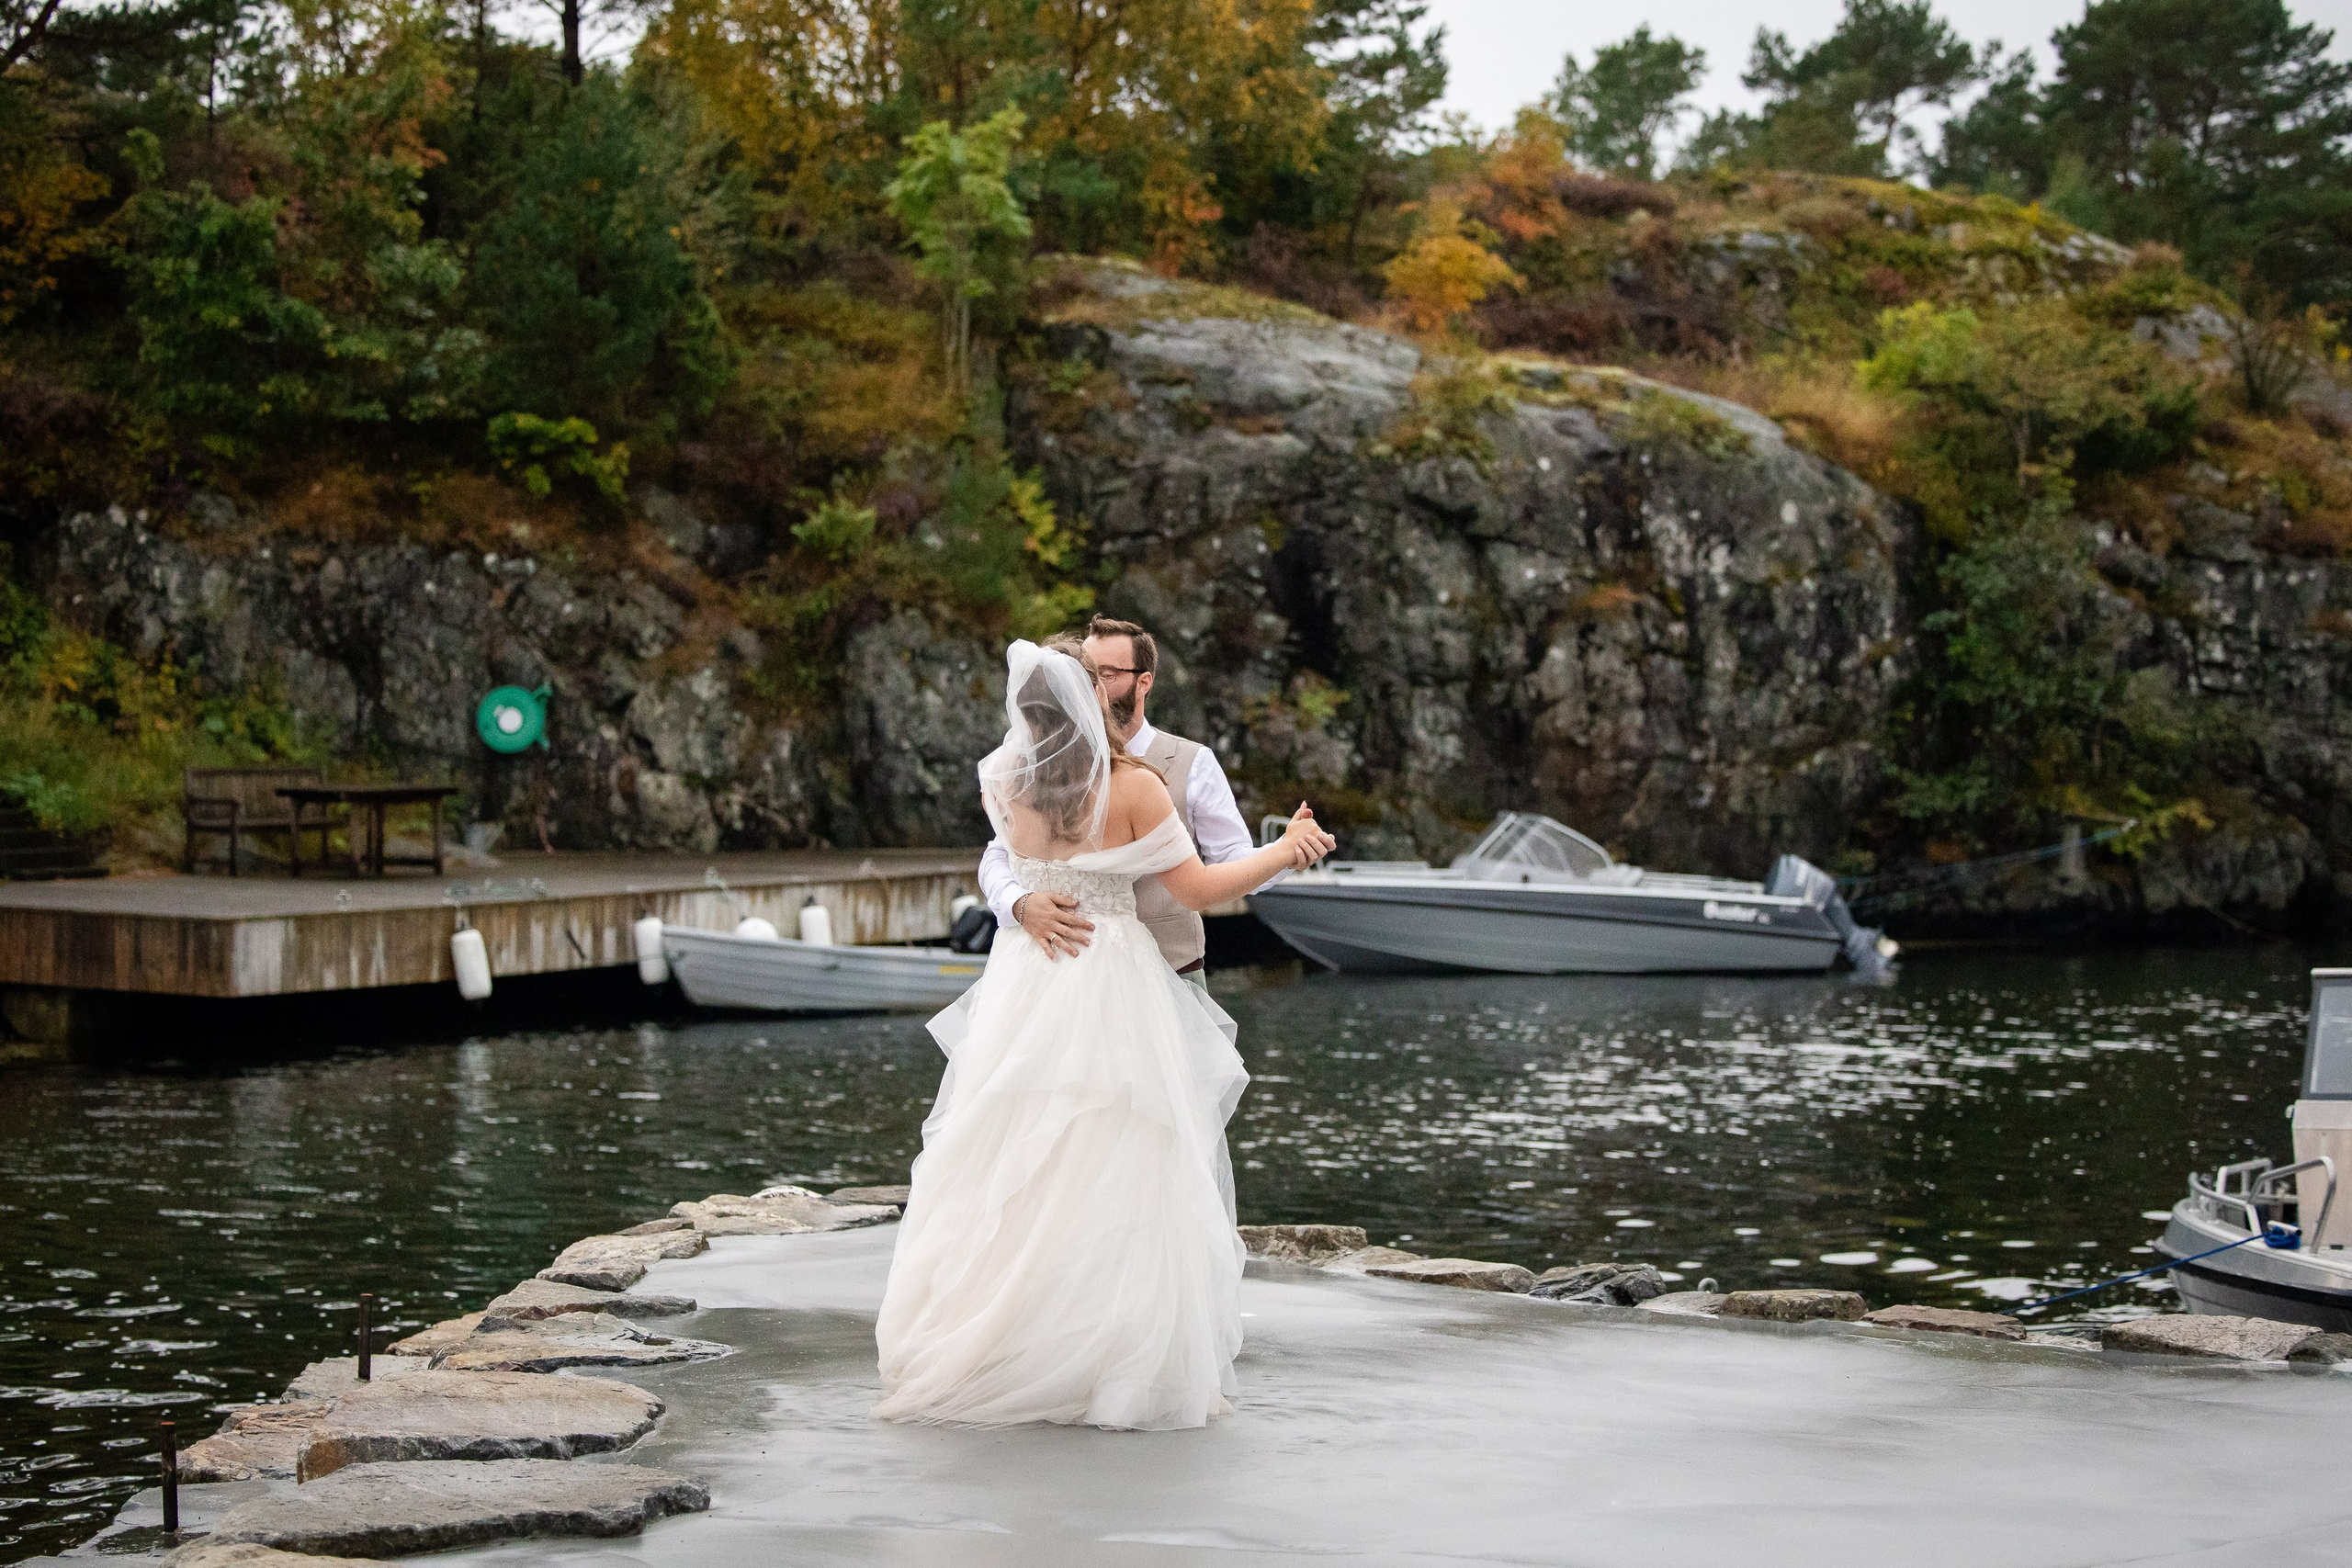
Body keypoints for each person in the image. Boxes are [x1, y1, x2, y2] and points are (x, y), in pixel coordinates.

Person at [873, 639, 1336, 1430]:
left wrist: (1023, 900)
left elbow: (1006, 856)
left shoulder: (1007, 780)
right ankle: (1107, 1361)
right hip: (1109, 976)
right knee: (1120, 1167)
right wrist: (1284, 852)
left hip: (1026, 985)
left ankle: (1000, 1345)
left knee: (1018, 1158)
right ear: (1093, 699)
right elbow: (1198, 886)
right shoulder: (1131, 787)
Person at [977, 615, 1253, 989]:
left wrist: (1283, 857)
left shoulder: (1192, 762)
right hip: (1052, 969)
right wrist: (1018, 904)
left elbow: (1233, 856)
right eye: (1093, 675)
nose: (1099, 685)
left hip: (1172, 969)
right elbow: (999, 854)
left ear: (1145, 682)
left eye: (1109, 673)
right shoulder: (1023, 775)